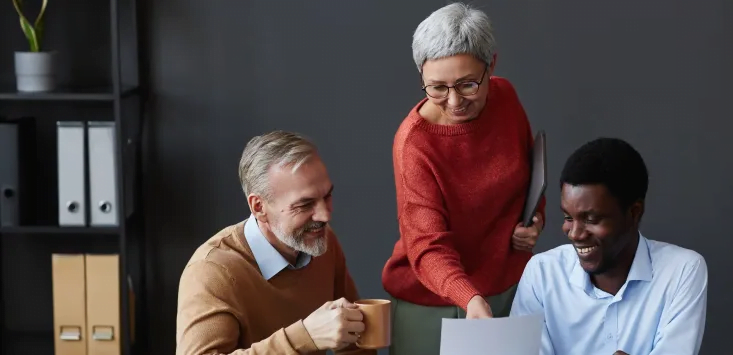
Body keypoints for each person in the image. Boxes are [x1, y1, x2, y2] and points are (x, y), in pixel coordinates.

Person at [380, 3, 546, 354]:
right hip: (435, 302)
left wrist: (534, 221)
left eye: (468, 84)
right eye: (436, 87)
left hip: (510, 285)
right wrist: (468, 296)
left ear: (492, 66)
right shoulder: (414, 143)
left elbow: (529, 176)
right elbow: (426, 245)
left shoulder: (506, 98)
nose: (454, 101)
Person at [175, 131, 377, 355]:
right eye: (305, 204)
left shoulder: (322, 242)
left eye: (327, 196)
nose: (324, 216)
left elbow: (353, 343)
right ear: (259, 207)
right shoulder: (212, 272)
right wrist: (305, 337)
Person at [511, 137, 708, 355]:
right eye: (568, 217)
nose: (574, 233)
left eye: (591, 219)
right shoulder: (541, 273)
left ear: (634, 213)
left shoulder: (681, 271)